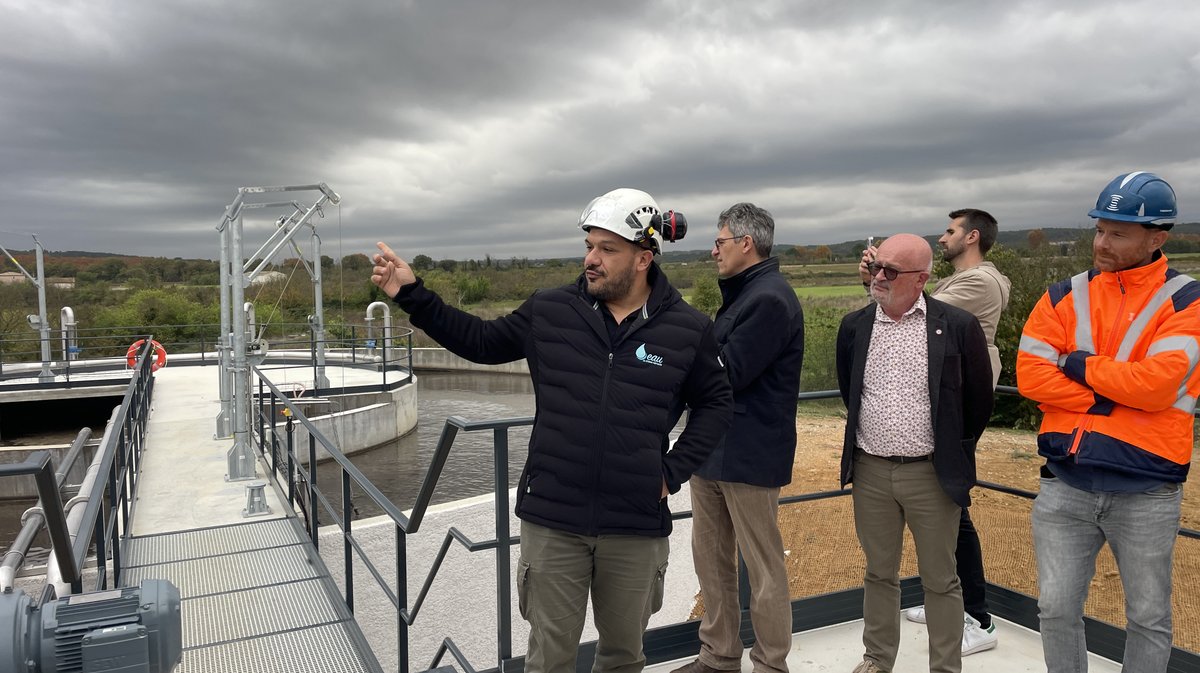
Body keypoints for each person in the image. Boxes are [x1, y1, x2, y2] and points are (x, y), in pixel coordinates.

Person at [371, 187, 734, 673]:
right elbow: (480, 342)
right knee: (549, 657)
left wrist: (672, 471)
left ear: (644, 257)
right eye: (589, 246)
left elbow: (716, 402)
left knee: (624, 657)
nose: (592, 259)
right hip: (553, 519)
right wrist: (411, 294)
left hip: (635, 523)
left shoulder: (688, 329)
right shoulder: (551, 310)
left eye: (608, 249)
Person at [1017, 172, 1197, 673]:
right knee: (1054, 610)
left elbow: (1158, 385)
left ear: (1156, 239)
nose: (1101, 242)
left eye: (1118, 233)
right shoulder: (1062, 295)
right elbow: (1031, 376)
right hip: (1065, 484)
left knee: (1147, 616)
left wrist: (1075, 363)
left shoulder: (1187, 300)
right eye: (1100, 228)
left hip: (1146, 490)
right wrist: (1117, 391)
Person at [837, 233, 994, 673]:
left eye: (891, 271)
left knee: (941, 580)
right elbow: (853, 391)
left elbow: (978, 402)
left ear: (922, 278)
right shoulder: (855, 326)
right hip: (870, 471)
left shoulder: (957, 326)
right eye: (876, 266)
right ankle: (877, 660)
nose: (878, 277)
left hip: (931, 474)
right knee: (878, 573)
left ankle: (944, 667)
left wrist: (950, 453)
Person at [670, 203, 804, 673]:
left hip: (749, 454)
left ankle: (770, 664)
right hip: (712, 450)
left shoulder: (769, 299)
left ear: (746, 244)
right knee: (710, 560)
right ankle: (719, 656)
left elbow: (727, 373)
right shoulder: (744, 295)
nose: (713, 251)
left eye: (720, 242)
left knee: (763, 567)